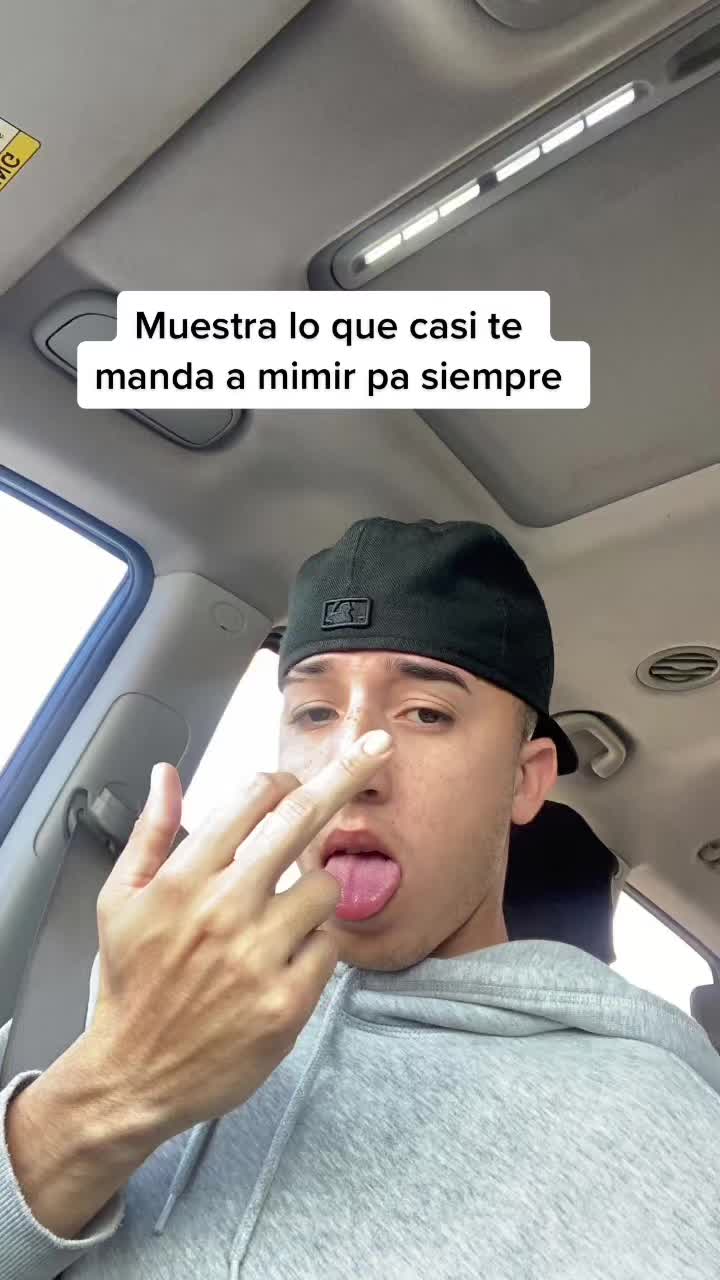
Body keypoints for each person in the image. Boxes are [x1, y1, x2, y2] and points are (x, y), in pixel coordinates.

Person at [2, 517, 720, 1280]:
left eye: (426, 713)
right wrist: (114, 1083)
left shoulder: (654, 1126)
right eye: (315, 713)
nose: (354, 765)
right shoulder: (150, 991)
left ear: (524, 780)